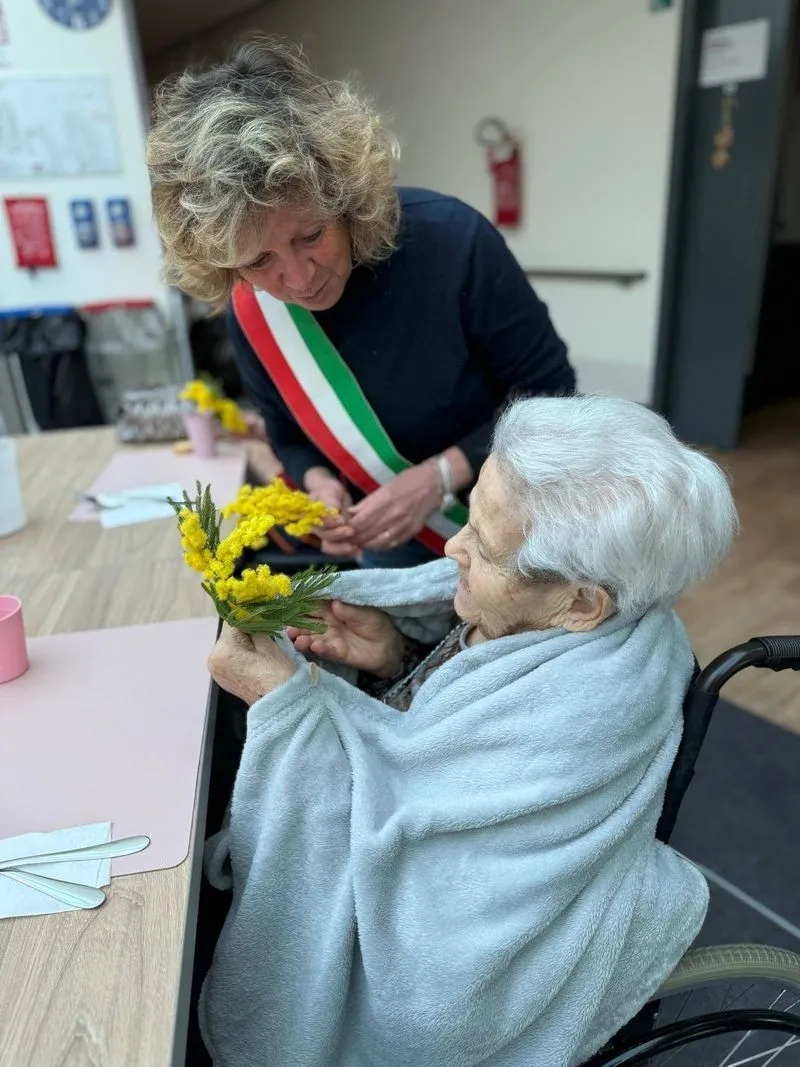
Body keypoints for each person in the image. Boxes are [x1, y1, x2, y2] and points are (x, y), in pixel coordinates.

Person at [198, 395, 738, 1067]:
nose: (451, 545)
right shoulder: (554, 612)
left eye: (480, 545)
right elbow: (435, 751)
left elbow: (427, 913)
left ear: (580, 603)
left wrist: (285, 706)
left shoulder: (585, 712)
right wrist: (394, 657)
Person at [145, 38, 575, 568]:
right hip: (390, 548)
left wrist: (440, 476)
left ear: (345, 198)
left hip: (515, 533)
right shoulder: (251, 314)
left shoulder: (451, 242)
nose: (299, 279)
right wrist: (317, 483)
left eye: (311, 235)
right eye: (259, 261)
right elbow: (286, 436)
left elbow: (552, 394)